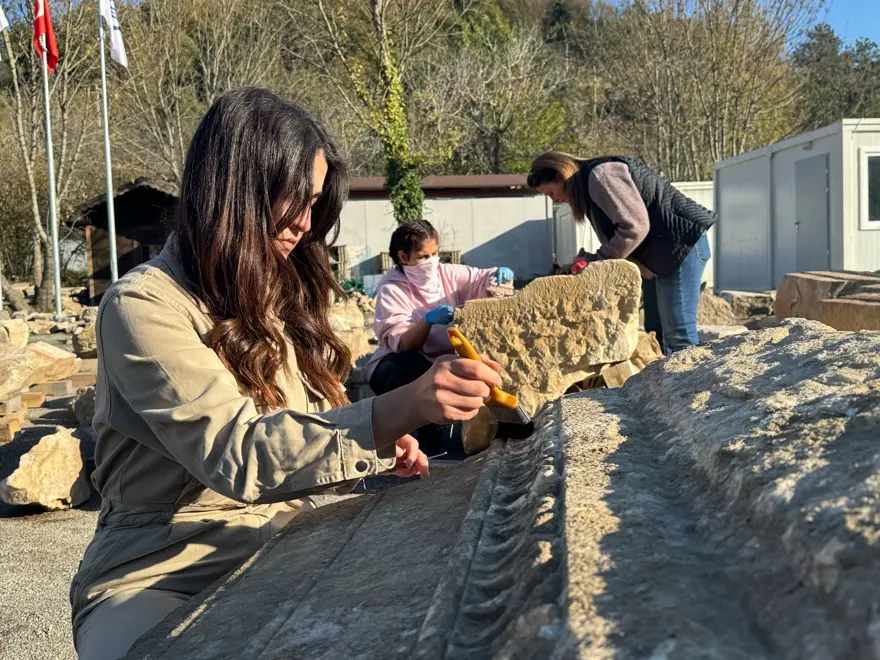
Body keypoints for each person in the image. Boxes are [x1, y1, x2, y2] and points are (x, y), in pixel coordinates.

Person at [69, 88, 502, 660]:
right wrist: (401, 407)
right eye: (293, 198)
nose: (304, 222)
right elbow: (239, 453)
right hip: (160, 568)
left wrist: (371, 448)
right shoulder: (142, 306)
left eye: (315, 202)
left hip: (285, 541)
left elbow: (298, 431)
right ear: (234, 187)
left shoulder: (275, 295)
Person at [527, 152, 715, 355]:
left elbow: (634, 227)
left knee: (679, 336)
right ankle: (667, 385)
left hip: (681, 247)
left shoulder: (601, 175)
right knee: (655, 333)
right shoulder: (589, 185)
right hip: (661, 257)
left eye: (550, 193)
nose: (554, 200)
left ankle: (691, 385)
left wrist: (598, 259)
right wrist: (590, 259)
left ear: (559, 176)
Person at [366, 220, 514, 457]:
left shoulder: (447, 274)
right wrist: (427, 320)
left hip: (442, 358)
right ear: (404, 257)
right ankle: (429, 437)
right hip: (398, 365)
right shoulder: (392, 289)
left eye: (436, 253)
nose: (432, 261)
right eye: (424, 256)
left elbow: (479, 278)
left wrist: (497, 276)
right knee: (409, 367)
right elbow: (402, 342)